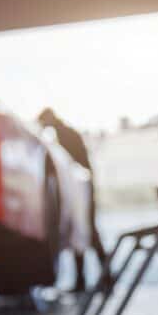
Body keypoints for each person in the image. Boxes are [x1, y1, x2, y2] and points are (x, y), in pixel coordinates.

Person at [37, 108, 107, 291]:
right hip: (81, 191)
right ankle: (86, 280)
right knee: (81, 234)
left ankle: (104, 277)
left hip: (81, 192)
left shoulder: (64, 137)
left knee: (87, 233)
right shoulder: (63, 135)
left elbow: (74, 168)